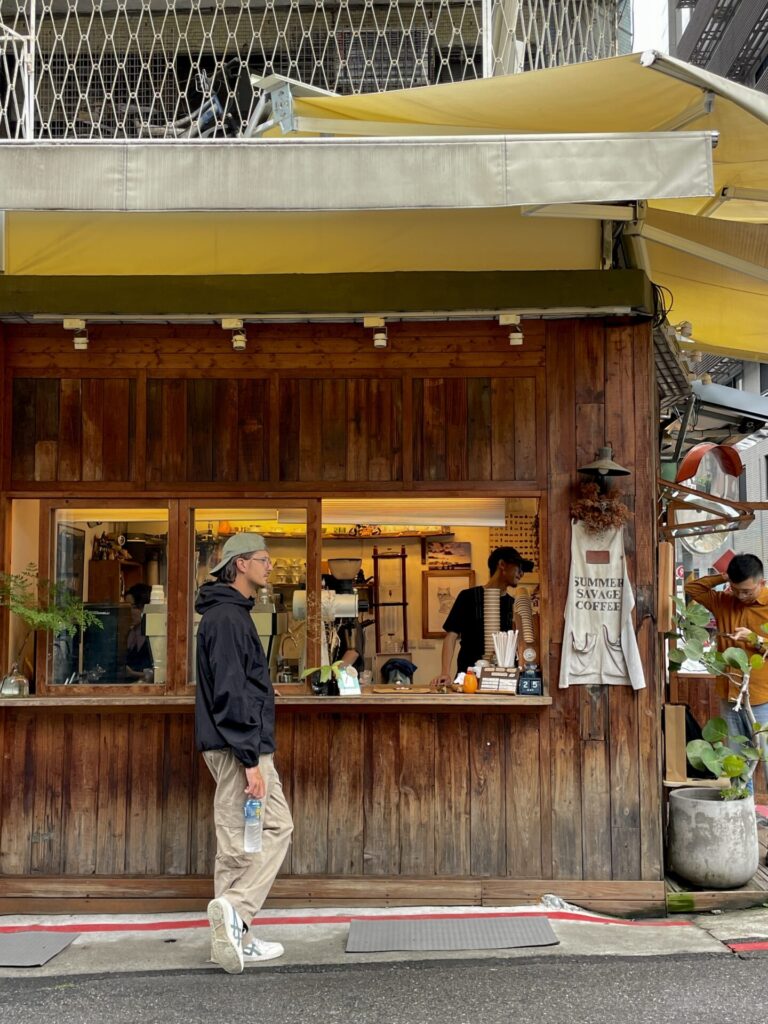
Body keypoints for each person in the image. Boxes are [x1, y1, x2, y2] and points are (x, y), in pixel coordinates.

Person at [195, 532, 293, 974]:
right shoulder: (229, 619)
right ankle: (236, 910)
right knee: (260, 831)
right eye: (263, 559)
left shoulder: (227, 614)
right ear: (240, 565)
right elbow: (231, 694)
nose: (270, 566)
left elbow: (236, 684)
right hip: (240, 747)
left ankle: (236, 937)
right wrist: (250, 760)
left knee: (245, 837)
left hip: (239, 743)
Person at [684, 553, 768, 782]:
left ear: (762, 582)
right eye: (736, 589)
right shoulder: (723, 601)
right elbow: (693, 588)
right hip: (730, 696)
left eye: (747, 591)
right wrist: (723, 577)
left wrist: (756, 640)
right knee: (736, 763)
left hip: (764, 698)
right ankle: (742, 813)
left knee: (767, 761)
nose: (741, 596)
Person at [431, 546, 534, 688]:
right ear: (502, 565)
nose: (521, 573)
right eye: (519, 567)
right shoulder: (467, 597)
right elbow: (451, 635)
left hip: (502, 681)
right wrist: (445, 673)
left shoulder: (514, 604)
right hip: (469, 679)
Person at [124, 582, 153, 682]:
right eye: (126, 607)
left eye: (133, 607)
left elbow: (158, 673)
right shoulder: (129, 633)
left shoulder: (153, 636)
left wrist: (133, 673)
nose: (129, 611)